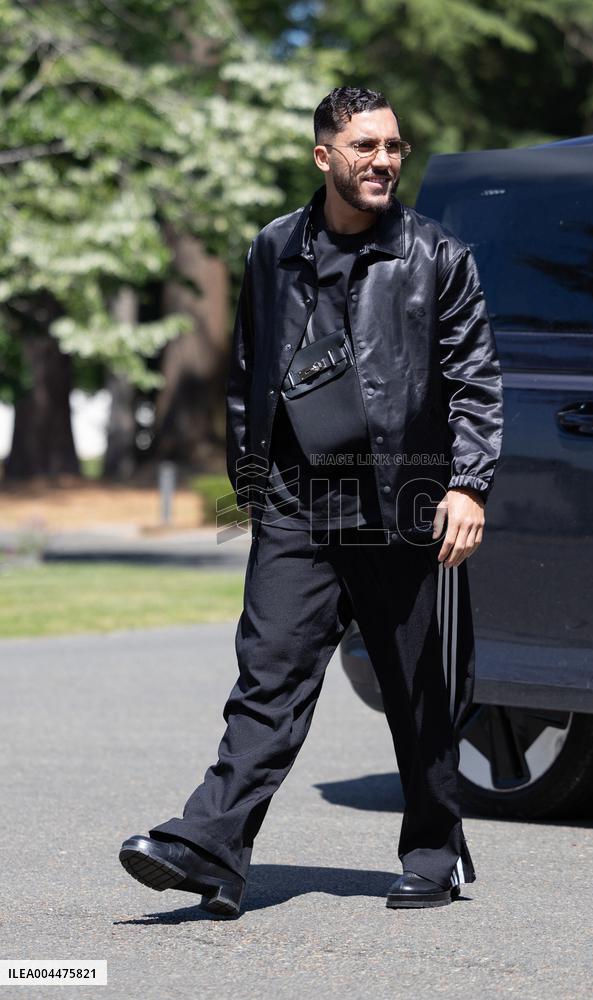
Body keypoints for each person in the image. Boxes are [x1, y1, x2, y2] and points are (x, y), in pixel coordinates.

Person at [119, 86, 503, 917]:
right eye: (366, 146)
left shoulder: (438, 256)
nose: (384, 161)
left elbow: (475, 380)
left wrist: (468, 484)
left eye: (393, 146)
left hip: (403, 495)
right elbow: (247, 370)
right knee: (268, 678)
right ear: (324, 155)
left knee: (416, 688)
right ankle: (212, 848)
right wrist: (251, 488)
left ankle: (436, 851)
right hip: (297, 498)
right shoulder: (273, 248)